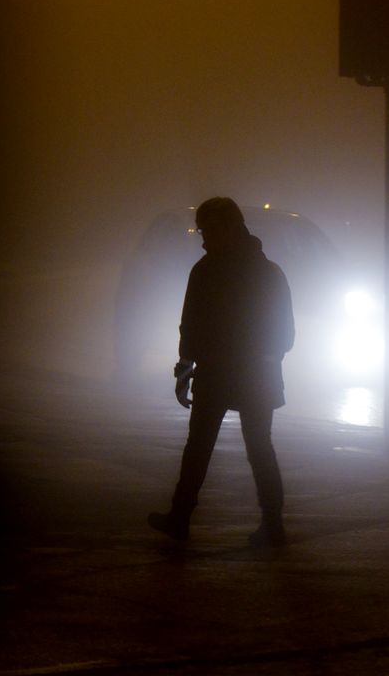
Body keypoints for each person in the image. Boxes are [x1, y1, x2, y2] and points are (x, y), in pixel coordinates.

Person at [148, 197, 295, 546]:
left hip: (217, 374)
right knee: (259, 448)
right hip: (255, 376)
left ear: (228, 229)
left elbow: (190, 328)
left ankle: (180, 519)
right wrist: (264, 357)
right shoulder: (268, 273)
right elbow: (285, 334)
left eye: (208, 231)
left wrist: (185, 372)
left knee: (199, 448)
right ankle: (273, 525)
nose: (203, 239)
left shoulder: (205, 271)